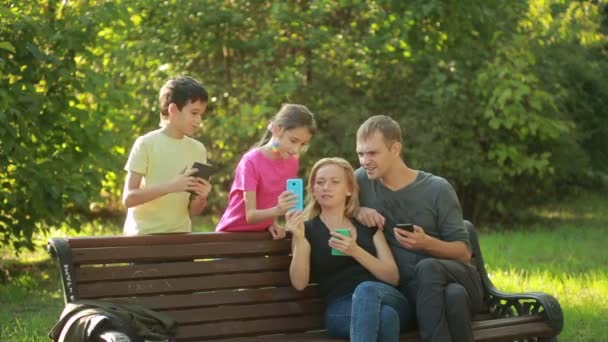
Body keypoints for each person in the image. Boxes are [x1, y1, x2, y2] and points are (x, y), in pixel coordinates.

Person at [354, 115, 484, 342]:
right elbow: (324, 206)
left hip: (457, 277)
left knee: (430, 270)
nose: (365, 161)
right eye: (360, 153)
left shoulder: (437, 189)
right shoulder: (360, 181)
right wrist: (357, 211)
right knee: (453, 298)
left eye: (373, 153)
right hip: (412, 295)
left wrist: (426, 243)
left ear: (395, 149)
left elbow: (463, 252)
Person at [287, 157, 411, 341]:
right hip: (341, 307)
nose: (325, 187)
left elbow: (393, 277)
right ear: (313, 189)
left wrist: (355, 251)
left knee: (366, 290)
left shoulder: (368, 226)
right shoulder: (305, 230)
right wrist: (298, 238)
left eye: (334, 182)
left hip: (385, 295)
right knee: (387, 318)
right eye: (320, 182)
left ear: (349, 189)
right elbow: (299, 283)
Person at [122, 76, 212, 236]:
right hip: (143, 238)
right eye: (194, 113)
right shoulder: (146, 144)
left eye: (201, 115)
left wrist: (202, 198)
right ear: (173, 110)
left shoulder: (198, 149)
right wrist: (171, 186)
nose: (199, 121)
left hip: (181, 238)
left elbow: (193, 212)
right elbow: (128, 198)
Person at [216, 104, 316, 239]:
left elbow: (272, 199)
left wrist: (272, 222)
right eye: (293, 140)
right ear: (276, 129)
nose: (296, 149)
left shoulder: (292, 162)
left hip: (261, 236)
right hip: (230, 236)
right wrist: (277, 211)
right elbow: (250, 215)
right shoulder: (250, 162)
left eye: (302, 144)